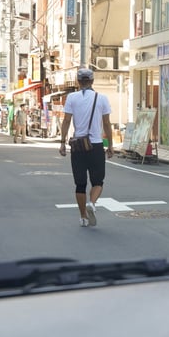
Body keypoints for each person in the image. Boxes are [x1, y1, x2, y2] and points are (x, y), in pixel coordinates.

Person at [58, 68, 114, 227]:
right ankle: (92, 202)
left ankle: (83, 216)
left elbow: (67, 121)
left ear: (78, 81)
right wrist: (110, 145)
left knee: (80, 184)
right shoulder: (101, 98)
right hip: (95, 145)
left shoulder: (71, 98)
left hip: (78, 146)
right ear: (92, 81)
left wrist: (62, 142)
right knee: (98, 181)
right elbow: (107, 124)